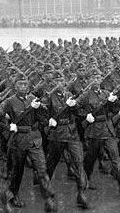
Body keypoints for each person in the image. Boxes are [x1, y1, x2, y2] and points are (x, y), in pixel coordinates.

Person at [0, 73, 57, 213]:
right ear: (15, 86)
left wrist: (47, 118)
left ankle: (49, 198)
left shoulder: (33, 99)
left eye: (25, 84)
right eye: (20, 84)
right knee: (17, 172)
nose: (23, 87)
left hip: (34, 140)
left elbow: (42, 119)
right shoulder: (9, 102)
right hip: (18, 140)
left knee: (42, 169)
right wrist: (8, 127)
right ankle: (13, 195)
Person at [76, 68, 120, 201]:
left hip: (107, 129)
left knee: (115, 158)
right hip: (94, 130)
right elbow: (75, 108)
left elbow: (112, 109)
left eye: (98, 77)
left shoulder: (106, 93)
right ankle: (86, 181)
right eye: (93, 78)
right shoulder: (85, 95)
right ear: (89, 80)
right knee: (90, 159)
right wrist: (86, 115)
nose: (96, 80)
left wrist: (114, 103)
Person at [44, 71, 90, 209]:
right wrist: (48, 120)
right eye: (57, 81)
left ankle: (81, 194)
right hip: (57, 134)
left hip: (72, 133)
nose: (61, 84)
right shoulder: (48, 97)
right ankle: (47, 192)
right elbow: (40, 114)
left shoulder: (69, 95)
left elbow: (77, 111)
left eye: (62, 81)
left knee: (79, 161)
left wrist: (74, 105)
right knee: (51, 164)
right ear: (53, 83)